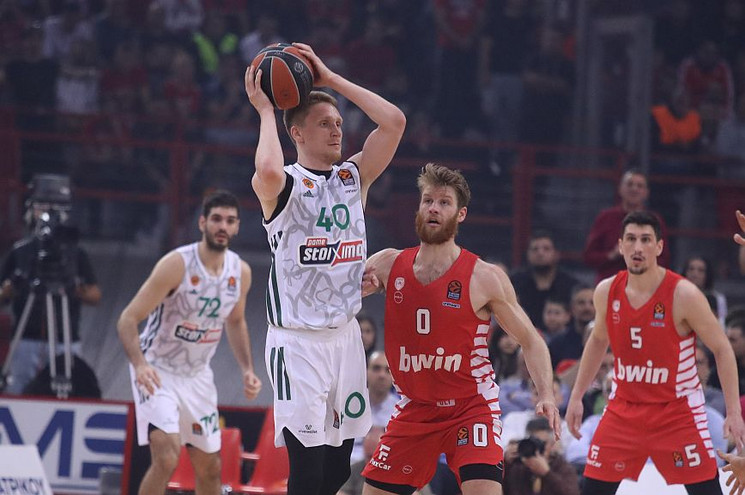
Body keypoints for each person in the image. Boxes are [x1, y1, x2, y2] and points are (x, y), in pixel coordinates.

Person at [244, 42, 406, 495]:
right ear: (296, 132)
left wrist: (331, 79)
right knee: (308, 472)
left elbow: (394, 122)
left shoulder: (353, 178)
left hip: (346, 339)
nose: (337, 131)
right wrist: (266, 111)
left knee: (335, 472)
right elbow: (266, 168)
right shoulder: (284, 184)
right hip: (298, 344)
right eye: (324, 124)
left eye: (338, 123)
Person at [359, 163, 559, 495]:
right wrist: (354, 289)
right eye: (427, 200)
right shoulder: (388, 264)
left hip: (470, 406)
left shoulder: (484, 276)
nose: (433, 208)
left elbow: (530, 340)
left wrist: (547, 395)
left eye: (444, 202)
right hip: (414, 407)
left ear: (461, 214)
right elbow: (335, 298)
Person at [566, 211, 745, 495]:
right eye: (631, 239)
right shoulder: (606, 291)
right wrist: (576, 396)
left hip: (676, 412)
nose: (638, 247)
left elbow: (722, 348)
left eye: (646, 240)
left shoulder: (684, 294)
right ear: (620, 245)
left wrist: (733, 411)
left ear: (659, 247)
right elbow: (598, 340)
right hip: (623, 409)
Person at [117, 190, 262, 495]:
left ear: (237, 227)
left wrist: (247, 369)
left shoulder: (240, 272)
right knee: (167, 457)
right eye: (216, 219)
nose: (223, 226)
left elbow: (236, 321)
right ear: (202, 223)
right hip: (157, 369)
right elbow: (128, 319)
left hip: (197, 376)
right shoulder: (177, 264)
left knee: (210, 469)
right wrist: (140, 365)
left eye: (230, 221)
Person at [0, 189, 101, 395]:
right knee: (18, 387)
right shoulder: (20, 251)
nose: (48, 212)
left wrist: (73, 288)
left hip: (66, 337)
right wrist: (9, 290)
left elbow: (95, 294)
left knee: (68, 388)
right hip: (26, 335)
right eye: (42, 207)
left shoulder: (75, 253)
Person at [583, 170, 670, 283]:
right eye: (630, 184)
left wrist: (643, 257)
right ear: (620, 189)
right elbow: (589, 257)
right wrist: (611, 255)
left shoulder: (655, 220)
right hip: (610, 285)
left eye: (639, 186)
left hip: (645, 285)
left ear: (646, 192)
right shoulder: (605, 217)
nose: (634, 189)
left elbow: (664, 260)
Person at [510, 230, 579, 330]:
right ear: (527, 254)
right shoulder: (515, 282)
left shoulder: (570, 285)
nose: (540, 253)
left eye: (546, 249)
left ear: (556, 254)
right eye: (535, 249)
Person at [502, 416, 580, 495]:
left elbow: (571, 492)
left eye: (542, 443)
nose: (537, 449)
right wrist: (506, 463)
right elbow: (500, 488)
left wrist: (547, 473)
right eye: (533, 443)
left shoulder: (562, 467)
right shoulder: (518, 466)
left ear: (552, 444)